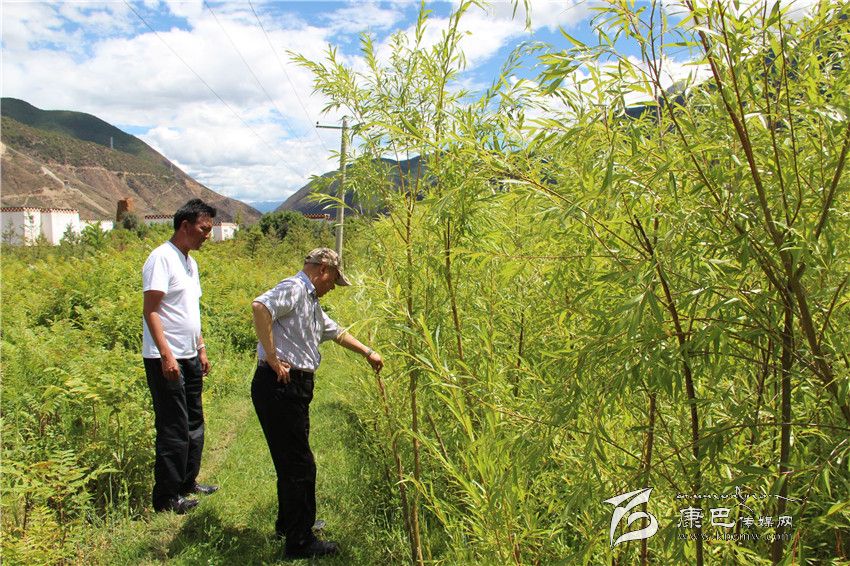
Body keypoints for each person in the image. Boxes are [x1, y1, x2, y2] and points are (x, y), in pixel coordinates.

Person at [251, 247, 383, 559]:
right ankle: (299, 542)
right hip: (281, 385)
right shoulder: (296, 288)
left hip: (292, 388)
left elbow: (335, 332)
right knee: (301, 465)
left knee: (290, 461)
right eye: (333, 280)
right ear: (323, 269)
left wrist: (367, 352)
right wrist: (272, 357)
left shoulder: (309, 302)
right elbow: (260, 307)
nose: (332, 287)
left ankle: (292, 524)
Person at [142, 198, 220, 514]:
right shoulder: (161, 258)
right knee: (173, 427)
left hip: (189, 355)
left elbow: (190, 311)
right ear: (185, 226)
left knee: (194, 421)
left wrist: (200, 348)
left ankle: (187, 482)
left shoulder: (190, 263)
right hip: (166, 358)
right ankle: (166, 498)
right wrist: (166, 356)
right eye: (204, 229)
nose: (207, 236)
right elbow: (151, 310)